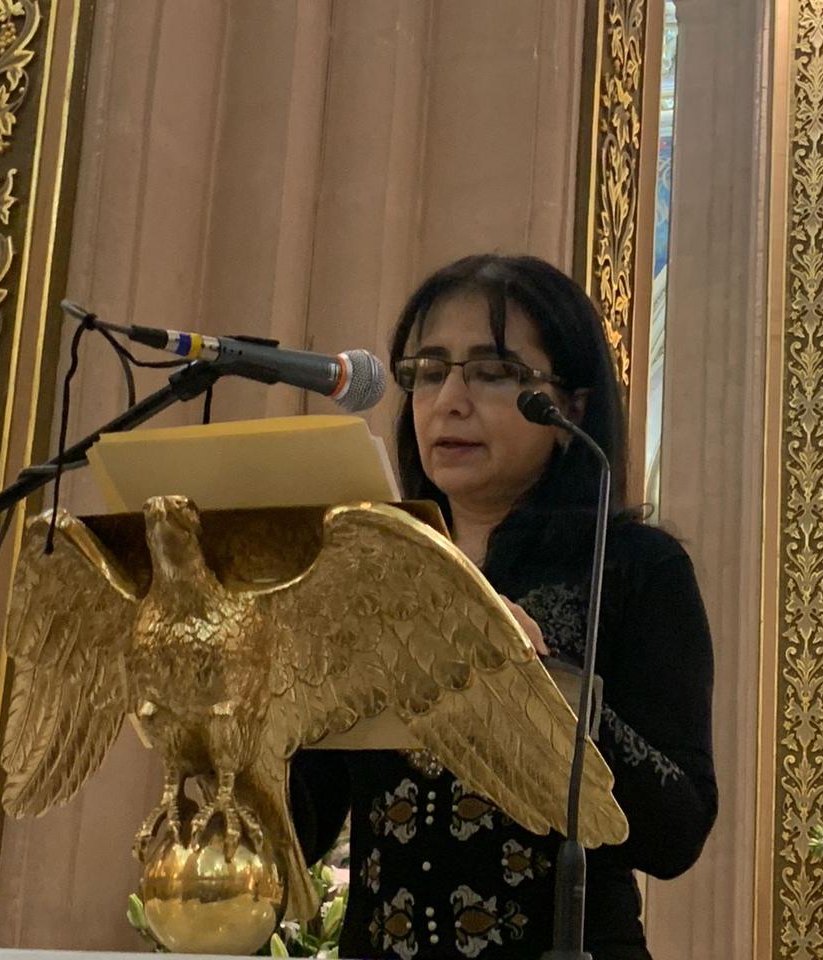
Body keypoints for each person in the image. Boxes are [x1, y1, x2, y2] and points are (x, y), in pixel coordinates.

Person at [290, 254, 717, 959]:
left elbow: (678, 830)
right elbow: (301, 825)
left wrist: (532, 684)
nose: (449, 400)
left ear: (570, 406)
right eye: (429, 371)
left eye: (491, 372)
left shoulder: (637, 568)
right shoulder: (372, 572)